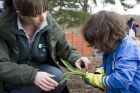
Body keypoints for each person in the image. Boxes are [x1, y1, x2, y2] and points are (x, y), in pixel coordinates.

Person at [0, 0, 91, 93]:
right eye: (36, 14)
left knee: (58, 77)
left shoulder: (48, 22)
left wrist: (76, 59)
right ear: (20, 14)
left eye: (45, 10)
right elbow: (2, 65)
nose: (43, 18)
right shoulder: (3, 27)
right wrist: (32, 75)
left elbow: (63, 47)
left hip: (39, 69)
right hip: (11, 77)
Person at [82, 10, 140, 93]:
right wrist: (100, 71)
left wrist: (97, 80)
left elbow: (122, 80)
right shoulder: (111, 46)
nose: (97, 47)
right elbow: (107, 62)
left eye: (97, 44)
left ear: (107, 37)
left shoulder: (128, 50)